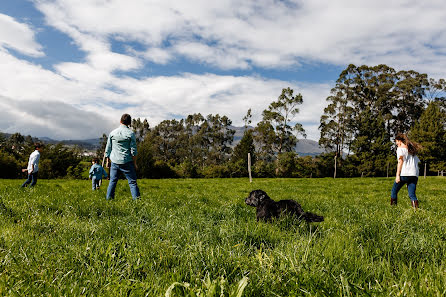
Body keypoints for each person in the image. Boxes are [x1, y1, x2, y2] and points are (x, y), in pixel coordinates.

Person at [105, 113, 140, 200]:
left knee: (112, 181)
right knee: (132, 182)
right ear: (129, 123)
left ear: (120, 121)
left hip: (114, 161)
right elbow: (134, 151)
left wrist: (107, 161)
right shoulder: (130, 133)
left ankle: (109, 200)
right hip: (127, 161)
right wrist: (135, 163)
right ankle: (138, 202)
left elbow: (108, 148)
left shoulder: (112, 133)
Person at [390, 133, 421, 209]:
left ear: (399, 141)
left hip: (404, 173)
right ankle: (416, 211)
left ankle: (393, 210)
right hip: (414, 174)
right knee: (412, 194)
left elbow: (400, 161)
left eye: (396, 142)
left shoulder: (400, 149)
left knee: (394, 191)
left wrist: (397, 175)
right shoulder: (411, 150)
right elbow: (417, 163)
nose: (396, 144)